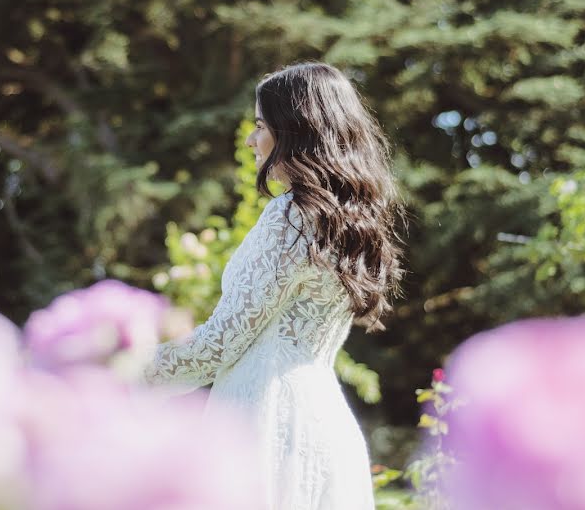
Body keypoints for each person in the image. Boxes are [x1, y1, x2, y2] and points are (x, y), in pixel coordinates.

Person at [143, 62, 405, 510]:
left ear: (296, 131)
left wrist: (127, 370)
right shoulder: (344, 221)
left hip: (263, 422)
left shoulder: (291, 216)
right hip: (322, 423)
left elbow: (221, 343)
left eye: (261, 126)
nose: (250, 140)